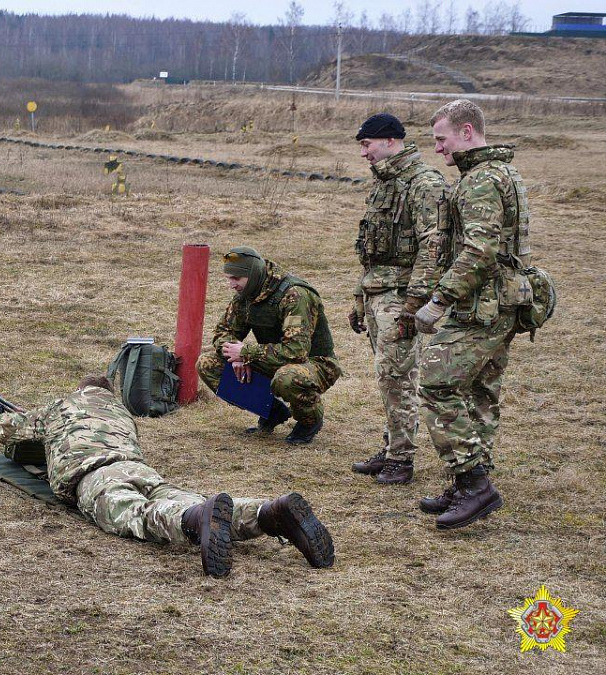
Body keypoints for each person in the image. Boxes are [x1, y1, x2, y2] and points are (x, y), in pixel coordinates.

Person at [0, 375, 334, 577]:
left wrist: (8, 416)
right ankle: (268, 512)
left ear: (80, 391)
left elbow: (8, 432)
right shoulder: (122, 414)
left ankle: (192, 520)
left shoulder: (60, 406)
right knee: (192, 500)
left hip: (93, 475)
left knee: (135, 514)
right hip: (139, 469)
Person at [412, 99, 528, 529]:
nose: (438, 149)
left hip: (481, 306)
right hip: (505, 301)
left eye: (441, 139)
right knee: (479, 390)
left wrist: (439, 300)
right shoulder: (504, 171)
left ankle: (474, 483)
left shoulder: (479, 180)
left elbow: (480, 250)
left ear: (466, 131)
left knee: (438, 383)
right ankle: (467, 485)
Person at [348, 113, 447, 485]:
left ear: (390, 141)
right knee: (387, 376)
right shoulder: (385, 184)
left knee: (398, 376)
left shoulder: (424, 184)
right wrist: (360, 296)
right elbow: (372, 249)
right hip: (379, 291)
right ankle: (392, 446)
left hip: (402, 296)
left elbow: (432, 248)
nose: (363, 153)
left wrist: (414, 306)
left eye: (366, 144)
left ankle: (402, 458)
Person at [196, 247, 342, 445]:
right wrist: (236, 354)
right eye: (229, 278)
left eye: (236, 278)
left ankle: (310, 421)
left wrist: (246, 353)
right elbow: (223, 332)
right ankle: (272, 411)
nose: (231, 285)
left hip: (316, 363)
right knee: (208, 363)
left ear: (252, 274)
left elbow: (296, 352)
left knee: (287, 378)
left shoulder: (295, 295)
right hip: (275, 359)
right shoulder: (246, 295)